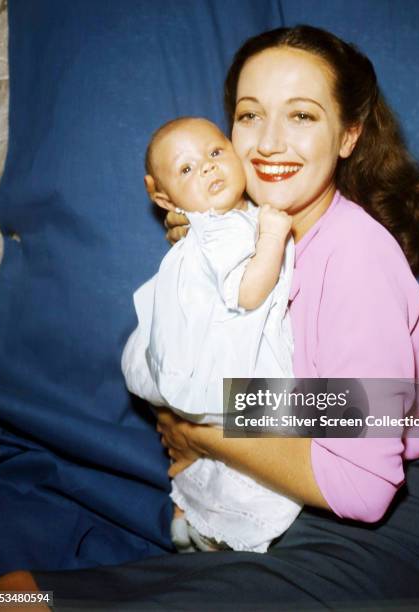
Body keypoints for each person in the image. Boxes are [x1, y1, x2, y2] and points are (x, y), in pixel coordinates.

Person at [0, 24, 419, 608]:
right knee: (25, 599)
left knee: (40, 603)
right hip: (282, 507)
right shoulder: (241, 238)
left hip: (391, 529)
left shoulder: (359, 259)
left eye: (301, 116)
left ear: (349, 134)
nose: (268, 142)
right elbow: (339, 398)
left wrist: (205, 431)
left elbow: (365, 482)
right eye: (249, 116)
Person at [123, 116, 301, 553]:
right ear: (161, 194)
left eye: (214, 153)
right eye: (186, 168)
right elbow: (245, 292)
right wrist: (271, 236)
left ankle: (193, 513)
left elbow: (386, 414)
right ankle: (201, 518)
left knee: (250, 456)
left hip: (209, 382)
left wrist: (190, 437)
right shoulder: (223, 230)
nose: (206, 167)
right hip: (210, 373)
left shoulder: (235, 223)